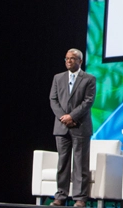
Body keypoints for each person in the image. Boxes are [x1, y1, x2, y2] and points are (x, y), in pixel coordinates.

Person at [49, 48, 96, 207]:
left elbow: (88, 101)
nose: (69, 61)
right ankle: (60, 196)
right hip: (61, 127)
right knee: (62, 163)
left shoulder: (89, 79)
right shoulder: (58, 78)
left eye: (72, 58)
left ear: (80, 61)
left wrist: (72, 117)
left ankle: (80, 198)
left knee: (80, 163)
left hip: (80, 126)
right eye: (67, 58)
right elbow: (53, 100)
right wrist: (64, 117)